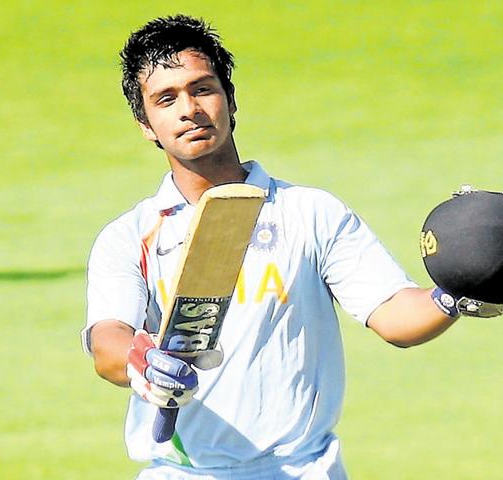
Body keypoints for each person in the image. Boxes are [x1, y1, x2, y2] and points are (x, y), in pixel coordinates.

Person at [82, 14, 469, 479]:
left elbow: (393, 314)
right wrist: (142, 363)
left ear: (230, 99)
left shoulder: (310, 212)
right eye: (166, 99)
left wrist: (456, 296)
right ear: (146, 123)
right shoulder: (129, 235)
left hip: (304, 469)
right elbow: (108, 343)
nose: (189, 109)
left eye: (202, 89)